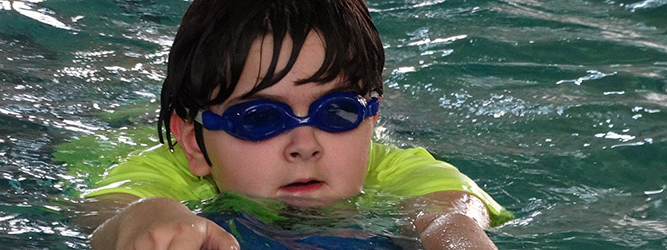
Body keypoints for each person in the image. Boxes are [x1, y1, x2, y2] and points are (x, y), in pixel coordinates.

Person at [73, 0, 513, 249]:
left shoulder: (395, 168)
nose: (304, 145)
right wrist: (144, 218)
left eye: (337, 111)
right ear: (194, 143)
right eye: (260, 118)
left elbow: (449, 211)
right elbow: (106, 212)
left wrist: (456, 235)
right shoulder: (167, 172)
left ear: (371, 119)